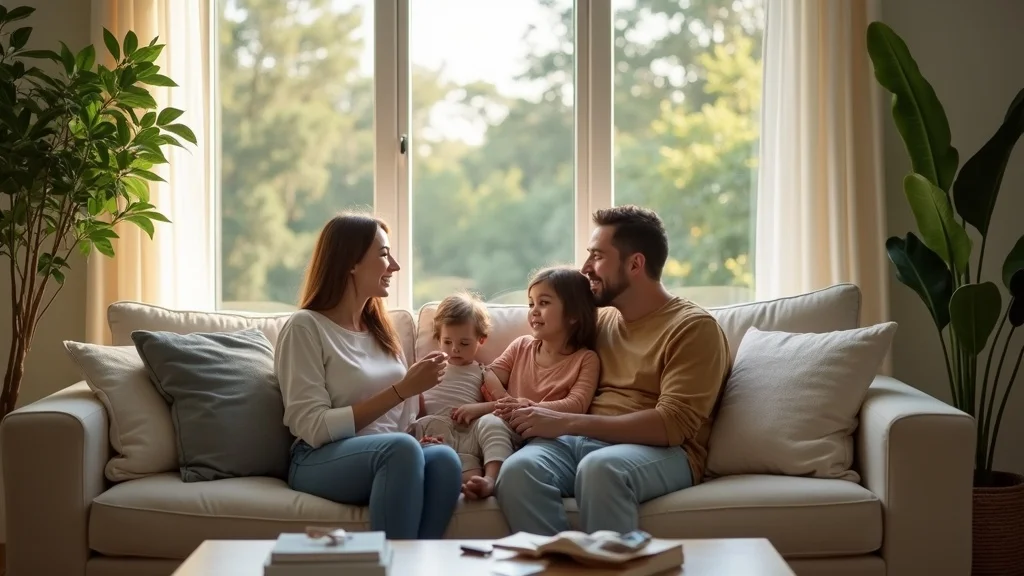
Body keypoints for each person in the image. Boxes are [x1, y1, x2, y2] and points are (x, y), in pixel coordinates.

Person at [494, 205, 733, 536]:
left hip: (664, 451)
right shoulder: (601, 321)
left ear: (635, 264)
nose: (585, 268)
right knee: (519, 471)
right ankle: (564, 566)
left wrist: (566, 421)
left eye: (597, 256)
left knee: (601, 468)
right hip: (579, 440)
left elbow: (672, 425)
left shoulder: (692, 328)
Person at [274, 211, 463, 540]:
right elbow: (313, 427)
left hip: (390, 452)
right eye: (384, 254)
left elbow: (397, 424)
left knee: (444, 459)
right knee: (401, 450)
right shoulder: (306, 327)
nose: (395, 266)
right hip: (319, 458)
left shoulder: (380, 330)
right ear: (350, 262)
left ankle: (413, 566)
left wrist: (417, 434)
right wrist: (402, 390)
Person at [477, 265, 601, 498]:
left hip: (549, 438)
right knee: (488, 422)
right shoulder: (521, 346)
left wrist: (531, 407)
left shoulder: (586, 359)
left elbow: (577, 405)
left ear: (573, 315)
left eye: (543, 303)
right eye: (531, 304)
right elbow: (490, 374)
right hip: (509, 428)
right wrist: (507, 401)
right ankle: (489, 479)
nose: (534, 311)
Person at [407, 291, 514, 499]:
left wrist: (479, 409)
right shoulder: (428, 367)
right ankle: (453, 480)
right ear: (438, 339)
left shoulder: (484, 371)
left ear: (481, 340)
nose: (455, 349)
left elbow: (506, 404)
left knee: (493, 423)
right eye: (447, 342)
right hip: (433, 431)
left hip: (468, 433)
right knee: (417, 428)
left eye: (464, 343)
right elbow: (411, 405)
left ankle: (490, 479)